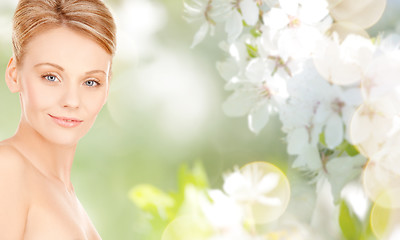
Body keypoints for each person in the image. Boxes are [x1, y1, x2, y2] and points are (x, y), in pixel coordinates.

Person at [0, 0, 116, 239]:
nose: (72, 101)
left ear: (107, 88)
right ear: (14, 75)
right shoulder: (7, 169)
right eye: (51, 77)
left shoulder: (67, 195)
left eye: (90, 82)